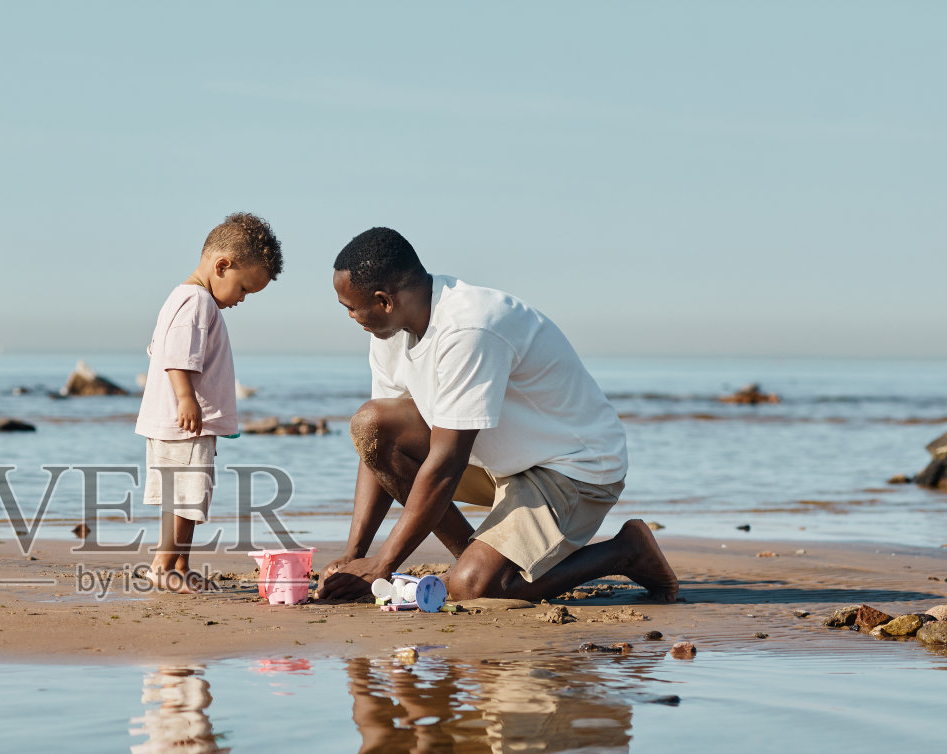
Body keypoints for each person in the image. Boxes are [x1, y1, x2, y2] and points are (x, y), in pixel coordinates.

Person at [317, 227, 677, 604]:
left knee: (473, 588)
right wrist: (354, 555)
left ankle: (626, 551)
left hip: (573, 469)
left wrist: (384, 565)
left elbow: (445, 464)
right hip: (499, 464)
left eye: (350, 306)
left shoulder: (468, 328)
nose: (349, 315)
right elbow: (375, 445)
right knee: (371, 423)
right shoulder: (391, 332)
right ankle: (475, 558)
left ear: (384, 301)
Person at [136, 212, 282, 592]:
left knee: (186, 498)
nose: (242, 299)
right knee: (184, 498)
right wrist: (186, 400)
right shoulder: (198, 303)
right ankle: (163, 565)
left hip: (181, 423)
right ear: (222, 266)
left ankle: (179, 564)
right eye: (244, 288)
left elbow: (158, 349)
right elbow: (176, 358)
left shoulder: (181, 299)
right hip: (182, 422)